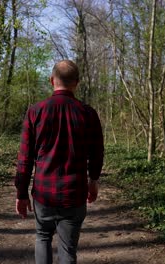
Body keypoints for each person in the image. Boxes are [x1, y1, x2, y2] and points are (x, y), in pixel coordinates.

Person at [14, 60, 104, 264]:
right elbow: (97, 153)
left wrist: (21, 193)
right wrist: (93, 180)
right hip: (74, 193)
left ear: (51, 80)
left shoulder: (36, 111)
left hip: (44, 194)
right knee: (68, 248)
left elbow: (25, 158)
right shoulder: (88, 114)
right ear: (77, 83)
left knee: (43, 237)